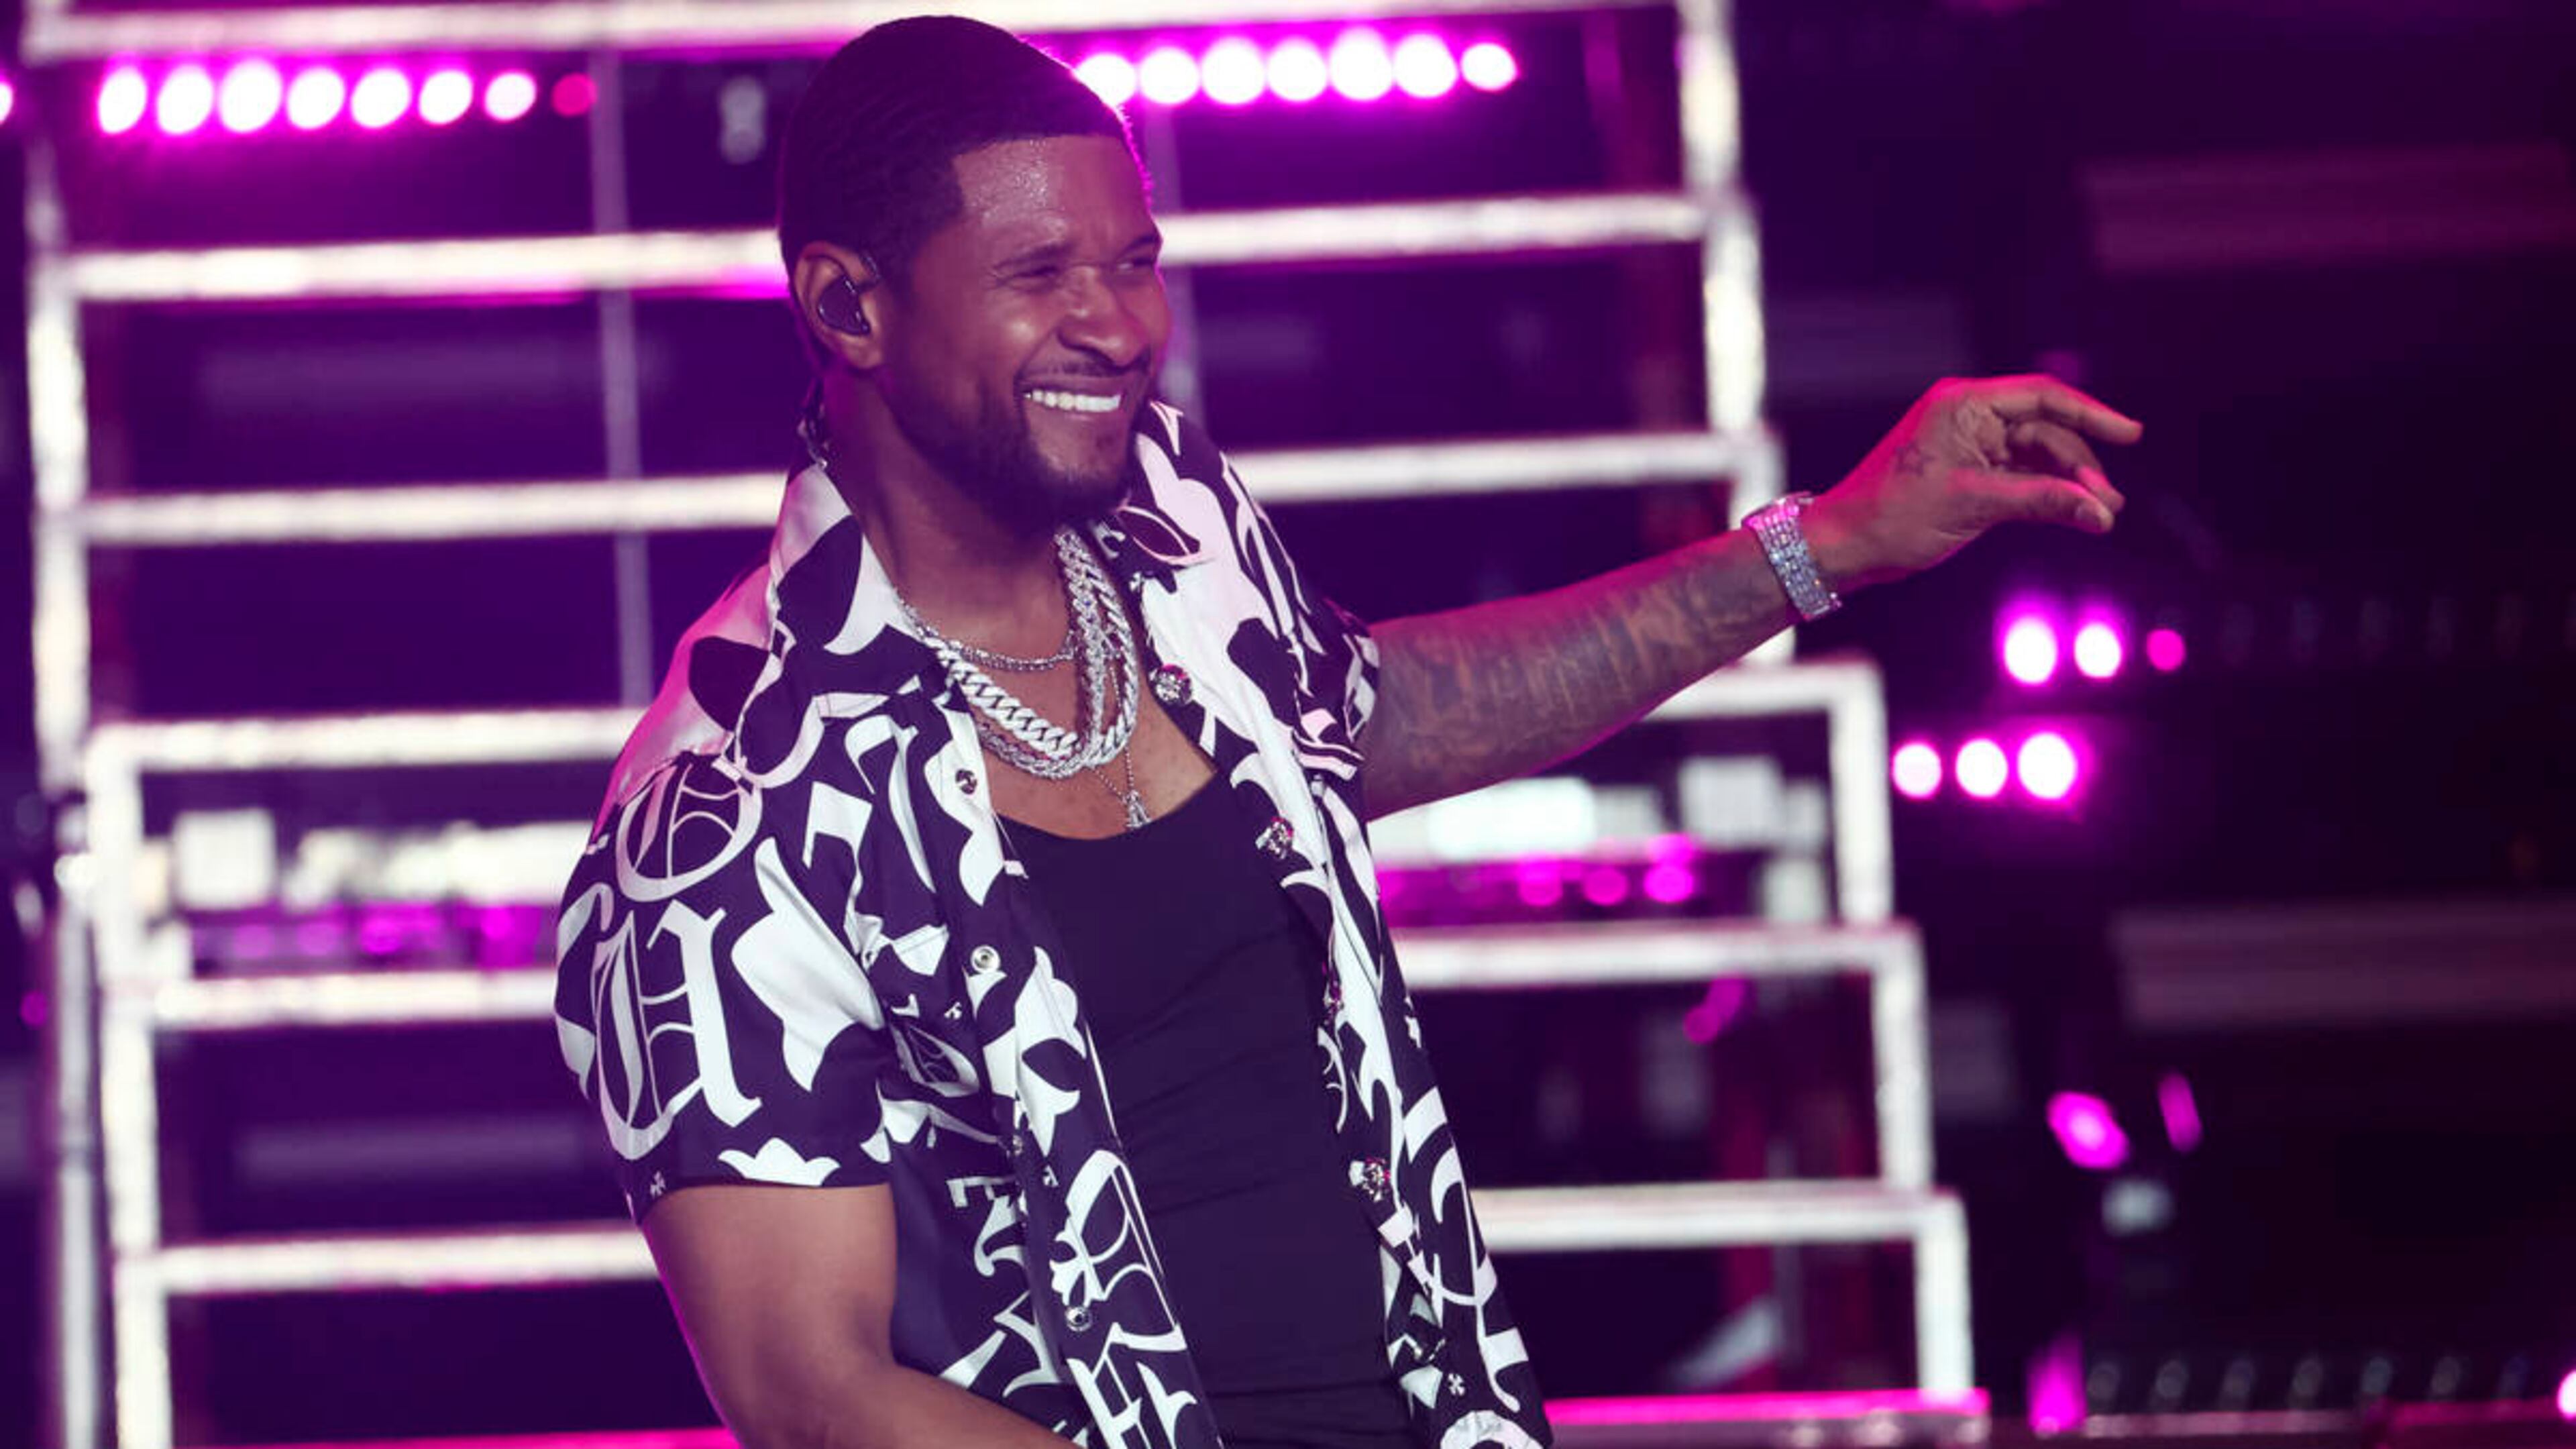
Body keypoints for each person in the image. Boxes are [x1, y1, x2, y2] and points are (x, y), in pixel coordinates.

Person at [551, 15, 2141, 1449]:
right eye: (1042, 276)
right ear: (848, 306)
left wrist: (1828, 546)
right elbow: (812, 1393)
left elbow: (1376, 717)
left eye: (1138, 260)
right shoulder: (727, 802)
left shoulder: (1172, 526)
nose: (1118, 325)